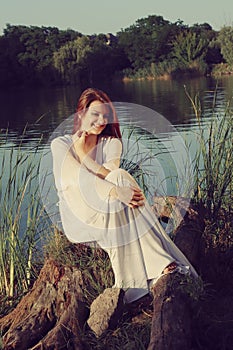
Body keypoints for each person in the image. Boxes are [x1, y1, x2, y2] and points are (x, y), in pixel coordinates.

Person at [51, 87, 197, 303]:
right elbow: (72, 179)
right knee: (118, 182)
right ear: (81, 114)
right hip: (79, 212)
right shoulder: (61, 144)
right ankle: (159, 262)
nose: (101, 121)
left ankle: (137, 277)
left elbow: (112, 176)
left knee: (119, 175)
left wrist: (91, 164)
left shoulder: (112, 143)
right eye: (95, 114)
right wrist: (111, 187)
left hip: (111, 204)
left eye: (105, 116)